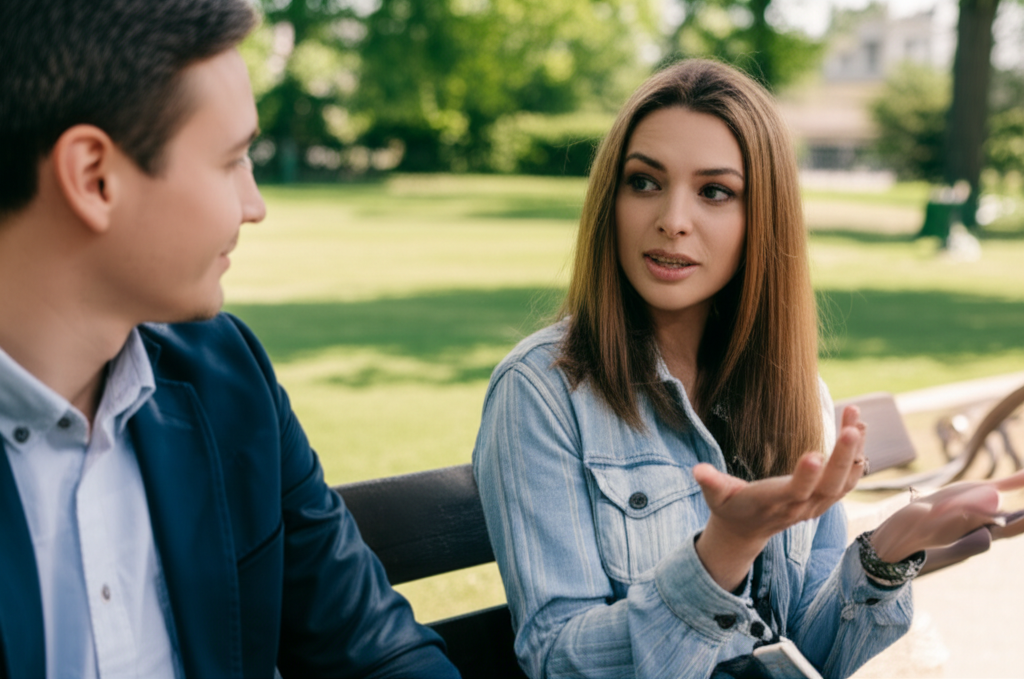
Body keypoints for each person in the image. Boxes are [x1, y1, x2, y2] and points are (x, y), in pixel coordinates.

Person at [472, 59, 1024, 679]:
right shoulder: (543, 391)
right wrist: (721, 554)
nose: (673, 219)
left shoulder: (795, 393)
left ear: (762, 218)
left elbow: (811, 656)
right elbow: (556, 660)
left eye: (714, 192)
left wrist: (884, 555)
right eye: (644, 182)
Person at [0, 1, 459, 677]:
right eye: (233, 160)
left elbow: (375, 649)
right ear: (95, 177)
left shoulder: (227, 377)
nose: (255, 204)